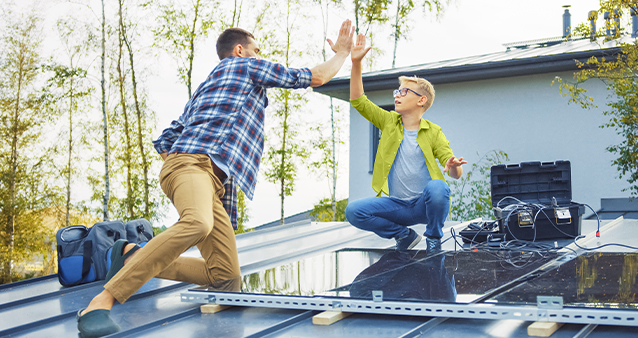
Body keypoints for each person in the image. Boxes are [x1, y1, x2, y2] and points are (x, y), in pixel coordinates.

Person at [76, 21, 355, 338]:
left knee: (225, 278)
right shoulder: (245, 67)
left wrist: (188, 167)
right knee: (197, 223)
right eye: (256, 50)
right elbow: (314, 77)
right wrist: (343, 54)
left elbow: (165, 139)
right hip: (193, 166)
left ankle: (131, 255)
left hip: (205, 178)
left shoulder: (207, 90)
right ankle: (100, 303)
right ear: (240, 51)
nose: (259, 55)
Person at [344, 34, 466, 252]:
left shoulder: (433, 131)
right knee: (354, 211)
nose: (397, 96)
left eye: (403, 92)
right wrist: (356, 63)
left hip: (423, 205)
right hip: (397, 206)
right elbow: (358, 101)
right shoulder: (389, 121)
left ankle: (433, 238)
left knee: (439, 187)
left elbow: (453, 170)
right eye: (396, 92)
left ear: (421, 100)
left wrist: (454, 167)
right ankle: (404, 235)